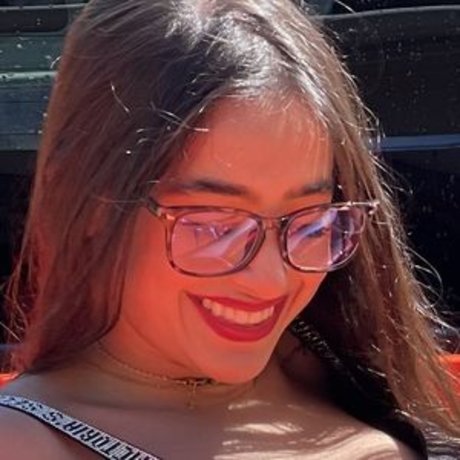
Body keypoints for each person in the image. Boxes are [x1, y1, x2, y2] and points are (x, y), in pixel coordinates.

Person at [0, 0, 459, 458]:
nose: (271, 280)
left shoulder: (352, 371)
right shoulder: (28, 441)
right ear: (91, 207)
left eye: (311, 223)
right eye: (215, 226)